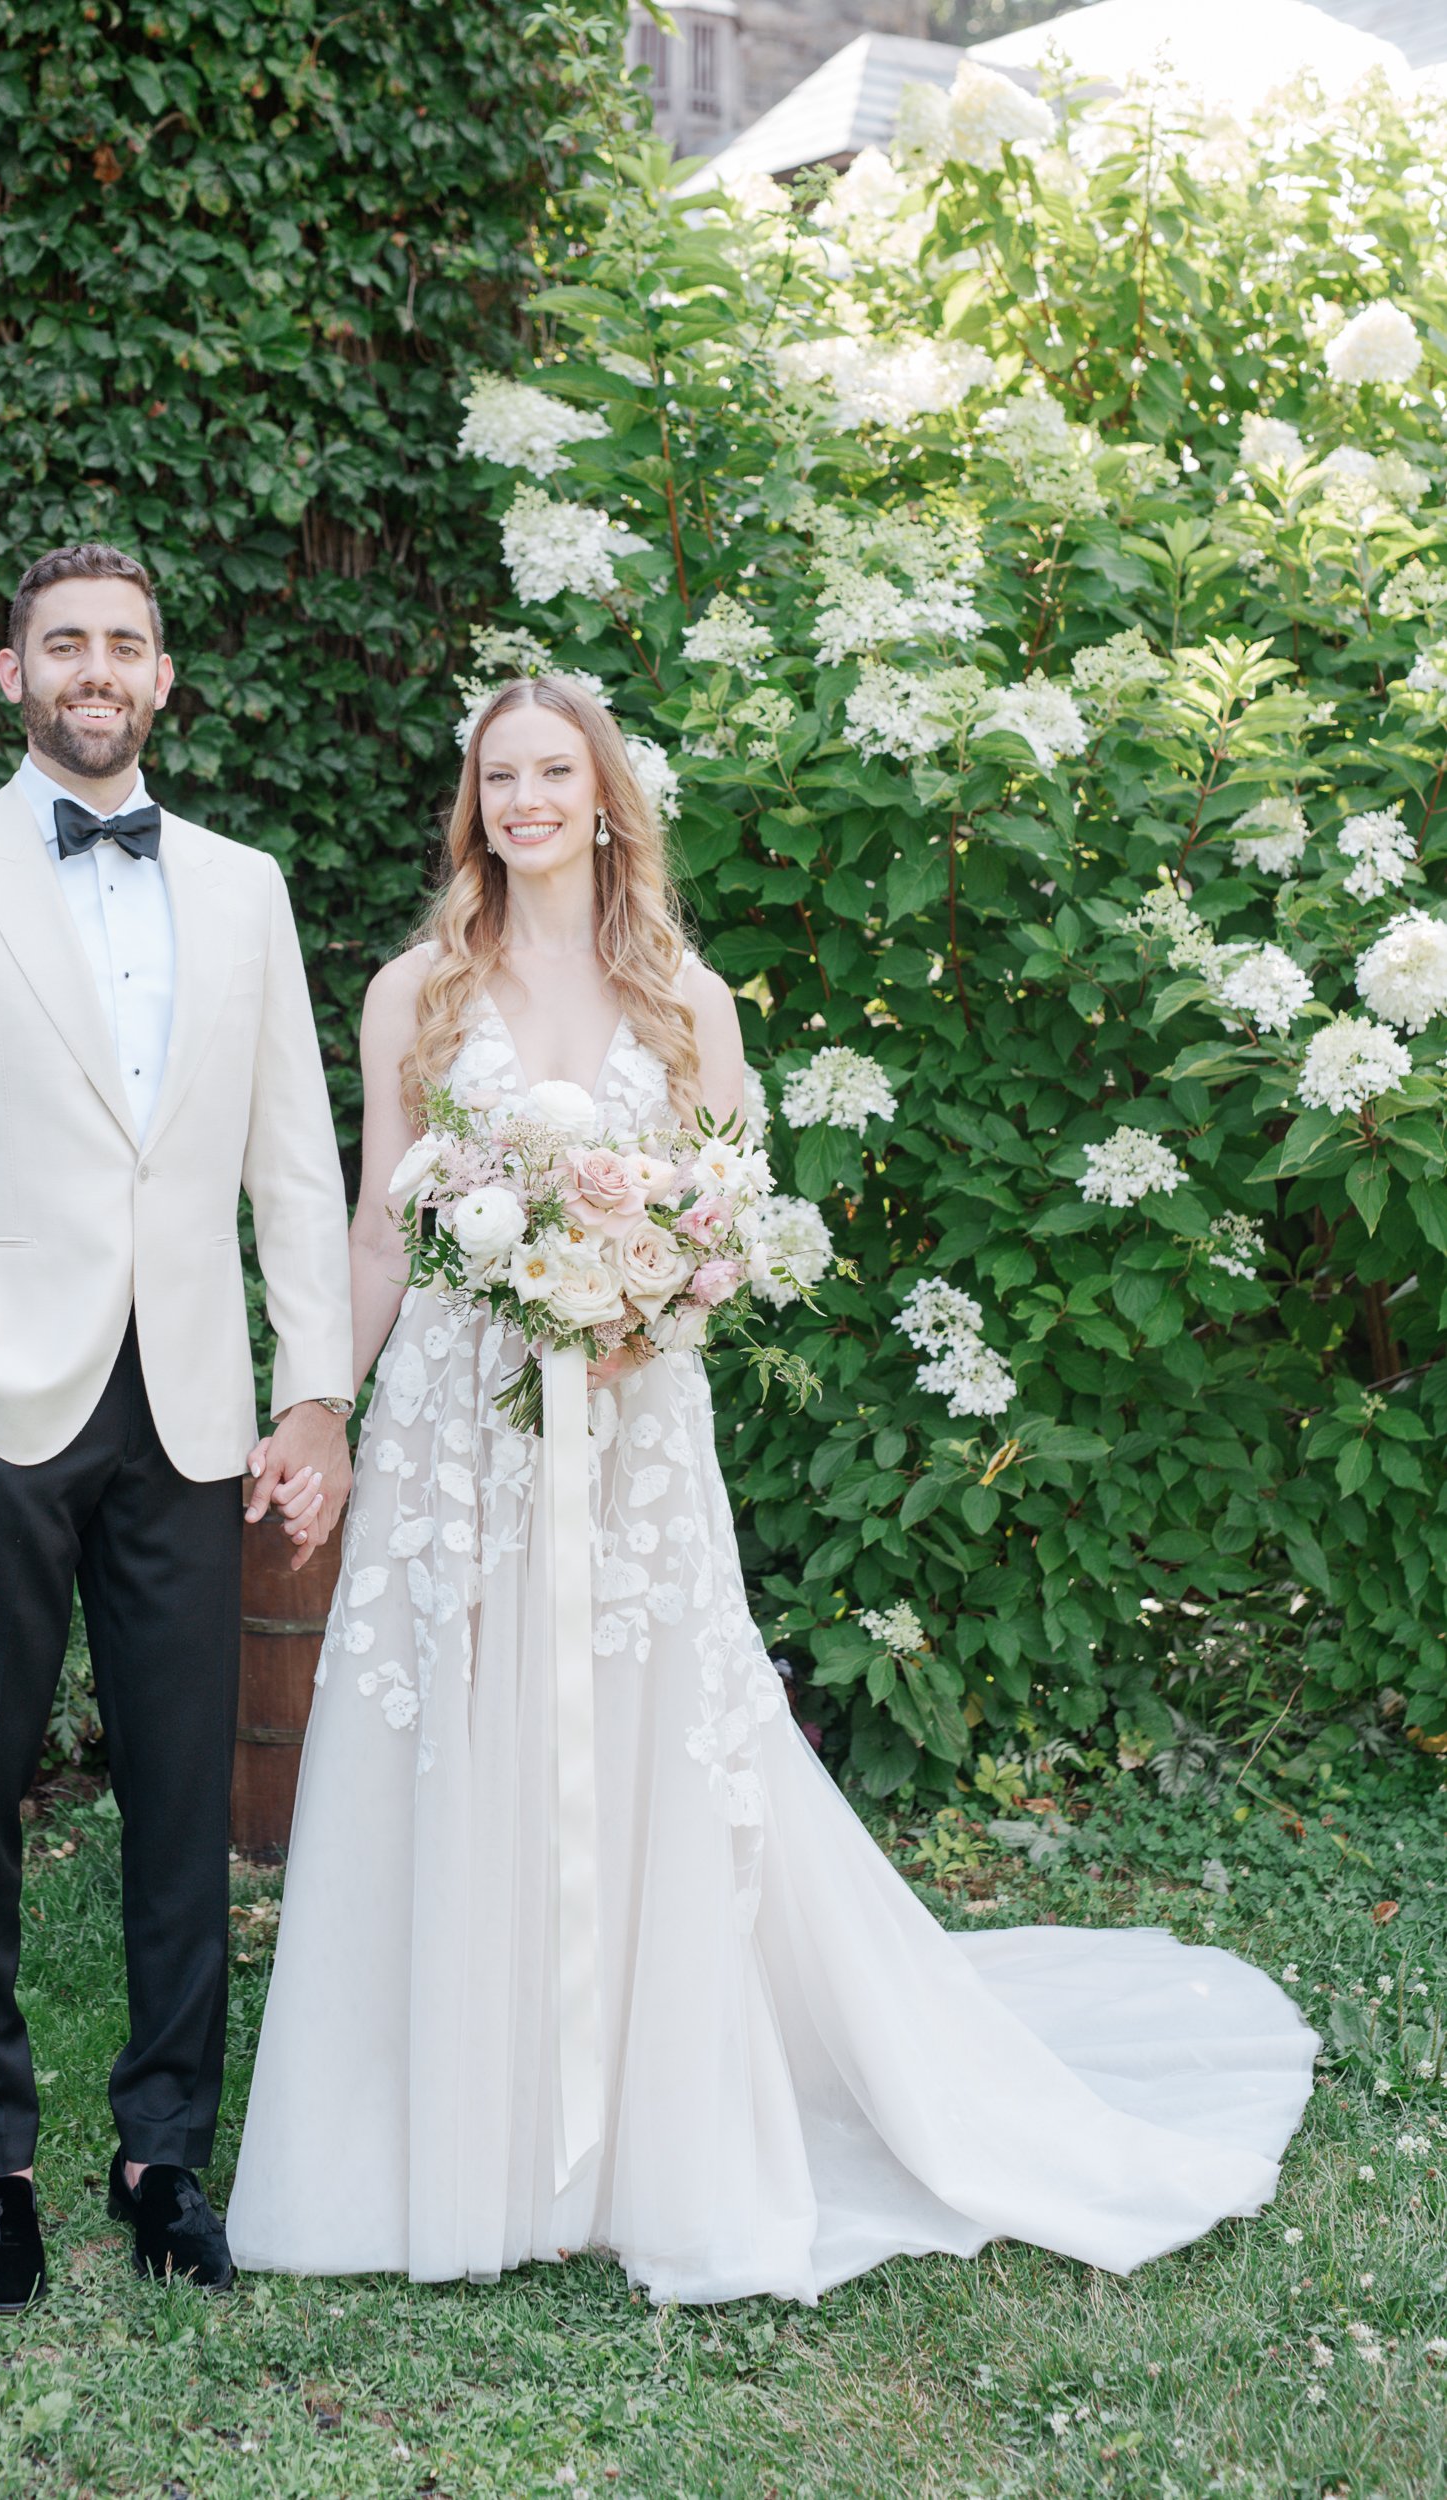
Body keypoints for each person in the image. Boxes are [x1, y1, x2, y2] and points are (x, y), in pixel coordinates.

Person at [228, 674, 1317, 2304]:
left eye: (554, 771)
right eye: (498, 774)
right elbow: (383, 1229)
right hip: (461, 1435)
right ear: (475, 805)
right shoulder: (413, 994)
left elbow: (731, 1225)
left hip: (633, 1429)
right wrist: (319, 1404)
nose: (525, 798)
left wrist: (640, 1307)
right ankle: (458, 2132)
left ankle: (641, 2141)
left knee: (633, 1738)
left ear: (602, 798)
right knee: (456, 1735)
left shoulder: (682, 994)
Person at [0, 543, 354, 2311]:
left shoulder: (250, 888)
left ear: (165, 678)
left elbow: (295, 1160)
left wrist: (314, 1386)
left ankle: (162, 2151)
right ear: (9, 676)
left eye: (123, 645)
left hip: (189, 1403)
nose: (94, 670)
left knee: (182, 1791)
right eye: (64, 646)